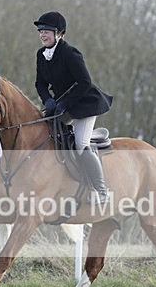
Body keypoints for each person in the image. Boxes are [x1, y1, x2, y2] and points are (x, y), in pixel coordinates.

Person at [34, 11, 113, 205]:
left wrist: (63, 104)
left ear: (59, 33)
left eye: (47, 31)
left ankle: (101, 190)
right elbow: (40, 84)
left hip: (84, 104)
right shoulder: (41, 54)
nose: (43, 35)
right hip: (61, 104)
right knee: (46, 135)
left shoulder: (70, 53)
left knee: (80, 144)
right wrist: (48, 101)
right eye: (41, 31)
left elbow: (84, 82)